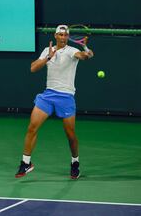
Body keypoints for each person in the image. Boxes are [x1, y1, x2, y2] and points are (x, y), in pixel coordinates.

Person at [15, 24, 94, 180]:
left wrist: (86, 48)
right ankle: (26, 162)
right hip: (48, 96)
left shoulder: (72, 51)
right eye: (61, 35)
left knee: (70, 135)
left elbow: (86, 56)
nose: (63, 38)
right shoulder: (47, 50)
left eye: (66, 35)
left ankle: (75, 163)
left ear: (68, 37)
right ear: (55, 36)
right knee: (32, 127)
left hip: (66, 97)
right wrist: (48, 57)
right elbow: (33, 68)